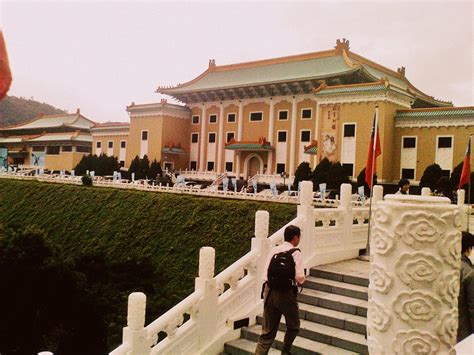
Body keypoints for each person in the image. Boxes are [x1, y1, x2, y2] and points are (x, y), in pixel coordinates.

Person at [255, 225, 305, 355]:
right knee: (293, 326)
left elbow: (266, 273)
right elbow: (300, 278)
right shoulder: (295, 252)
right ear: (295, 238)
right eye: (299, 237)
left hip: (269, 291)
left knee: (267, 332)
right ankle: (285, 351)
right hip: (286, 295)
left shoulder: (274, 250)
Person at [458, 231, 474, 342]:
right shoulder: (469, 272)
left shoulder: (448, 267)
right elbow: (472, 306)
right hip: (464, 329)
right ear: (468, 249)